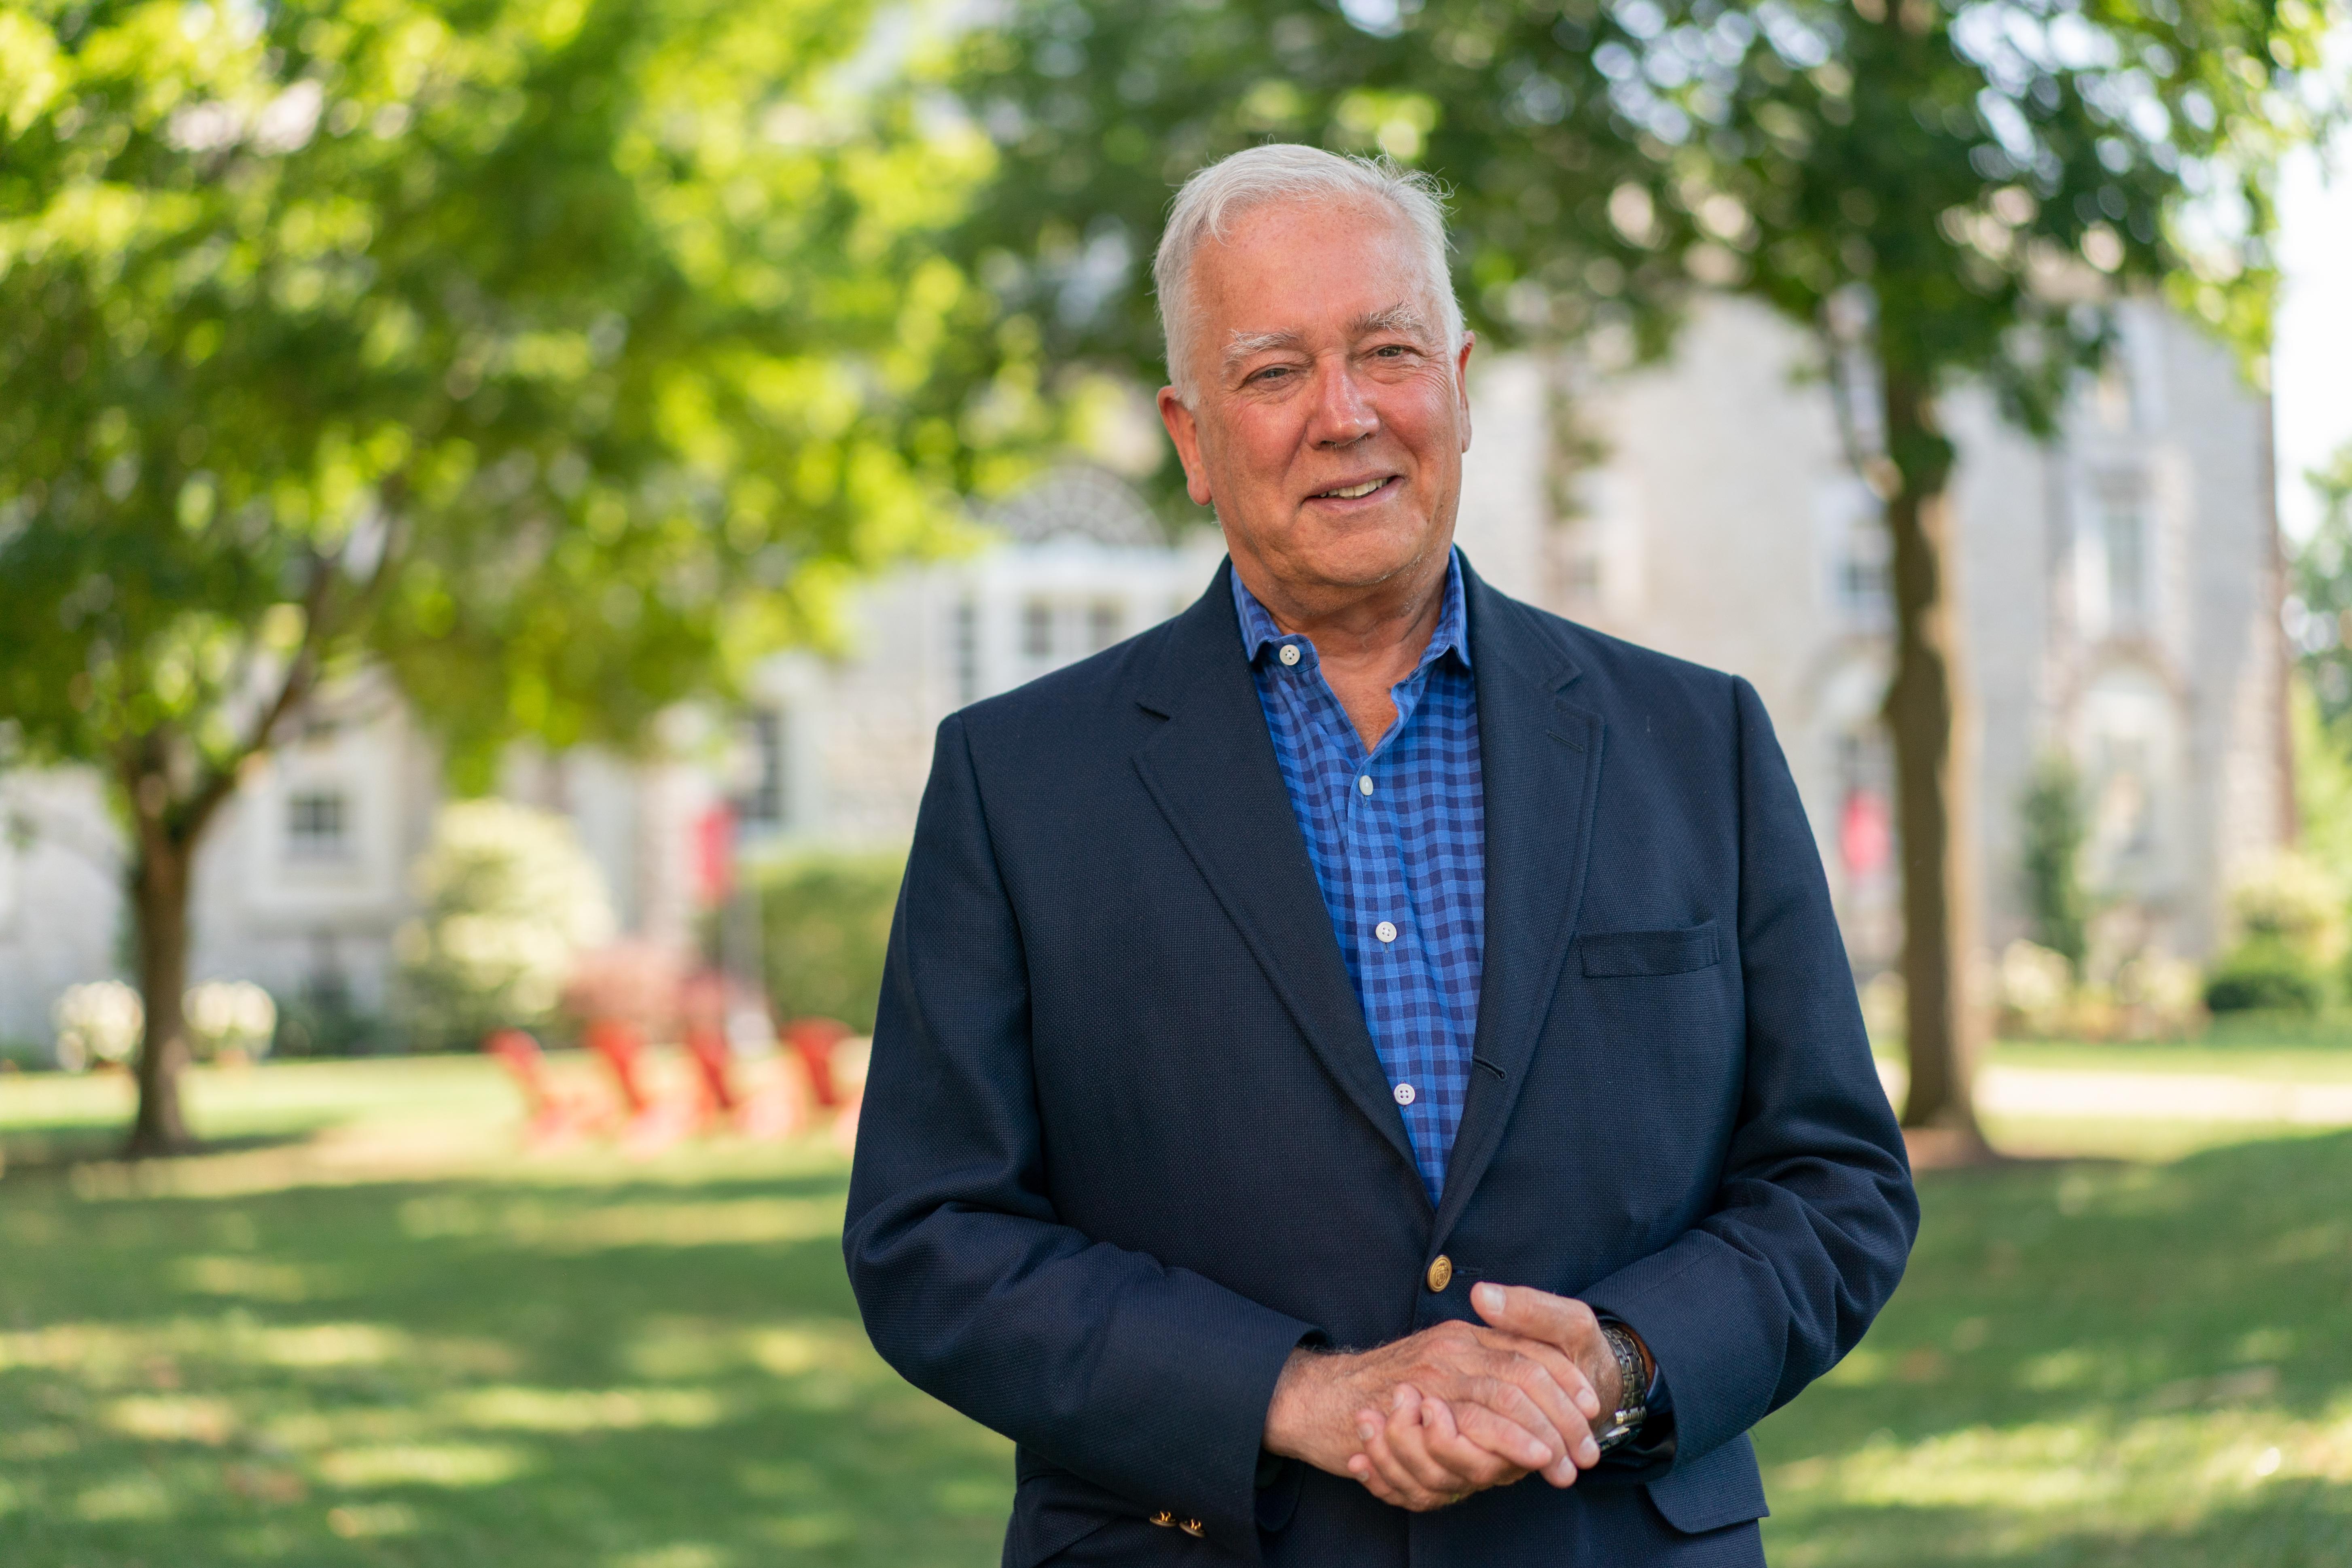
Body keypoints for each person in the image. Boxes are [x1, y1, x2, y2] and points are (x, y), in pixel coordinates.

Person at [845, 143, 1918, 1567]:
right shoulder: (1018, 780)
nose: (1344, 416)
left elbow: (1837, 1181)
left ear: (1462, 384)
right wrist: (1296, 1394)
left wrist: (1613, 1365)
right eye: (1274, 372)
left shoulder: (1695, 741)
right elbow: (934, 1236)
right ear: (1189, 434)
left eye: (1389, 351)